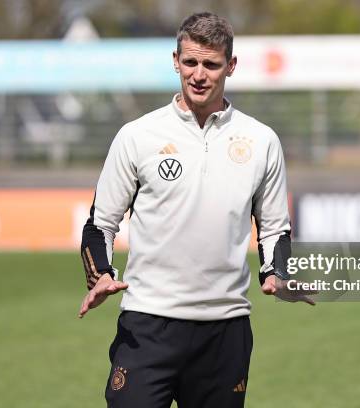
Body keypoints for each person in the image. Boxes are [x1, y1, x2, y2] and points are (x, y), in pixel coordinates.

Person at [78, 12, 313, 408]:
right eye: (190, 62)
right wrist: (99, 274)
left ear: (231, 66)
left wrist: (278, 273)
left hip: (225, 330)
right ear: (175, 61)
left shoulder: (261, 140)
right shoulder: (137, 136)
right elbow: (99, 224)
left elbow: (275, 229)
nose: (199, 74)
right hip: (148, 325)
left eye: (211, 64)